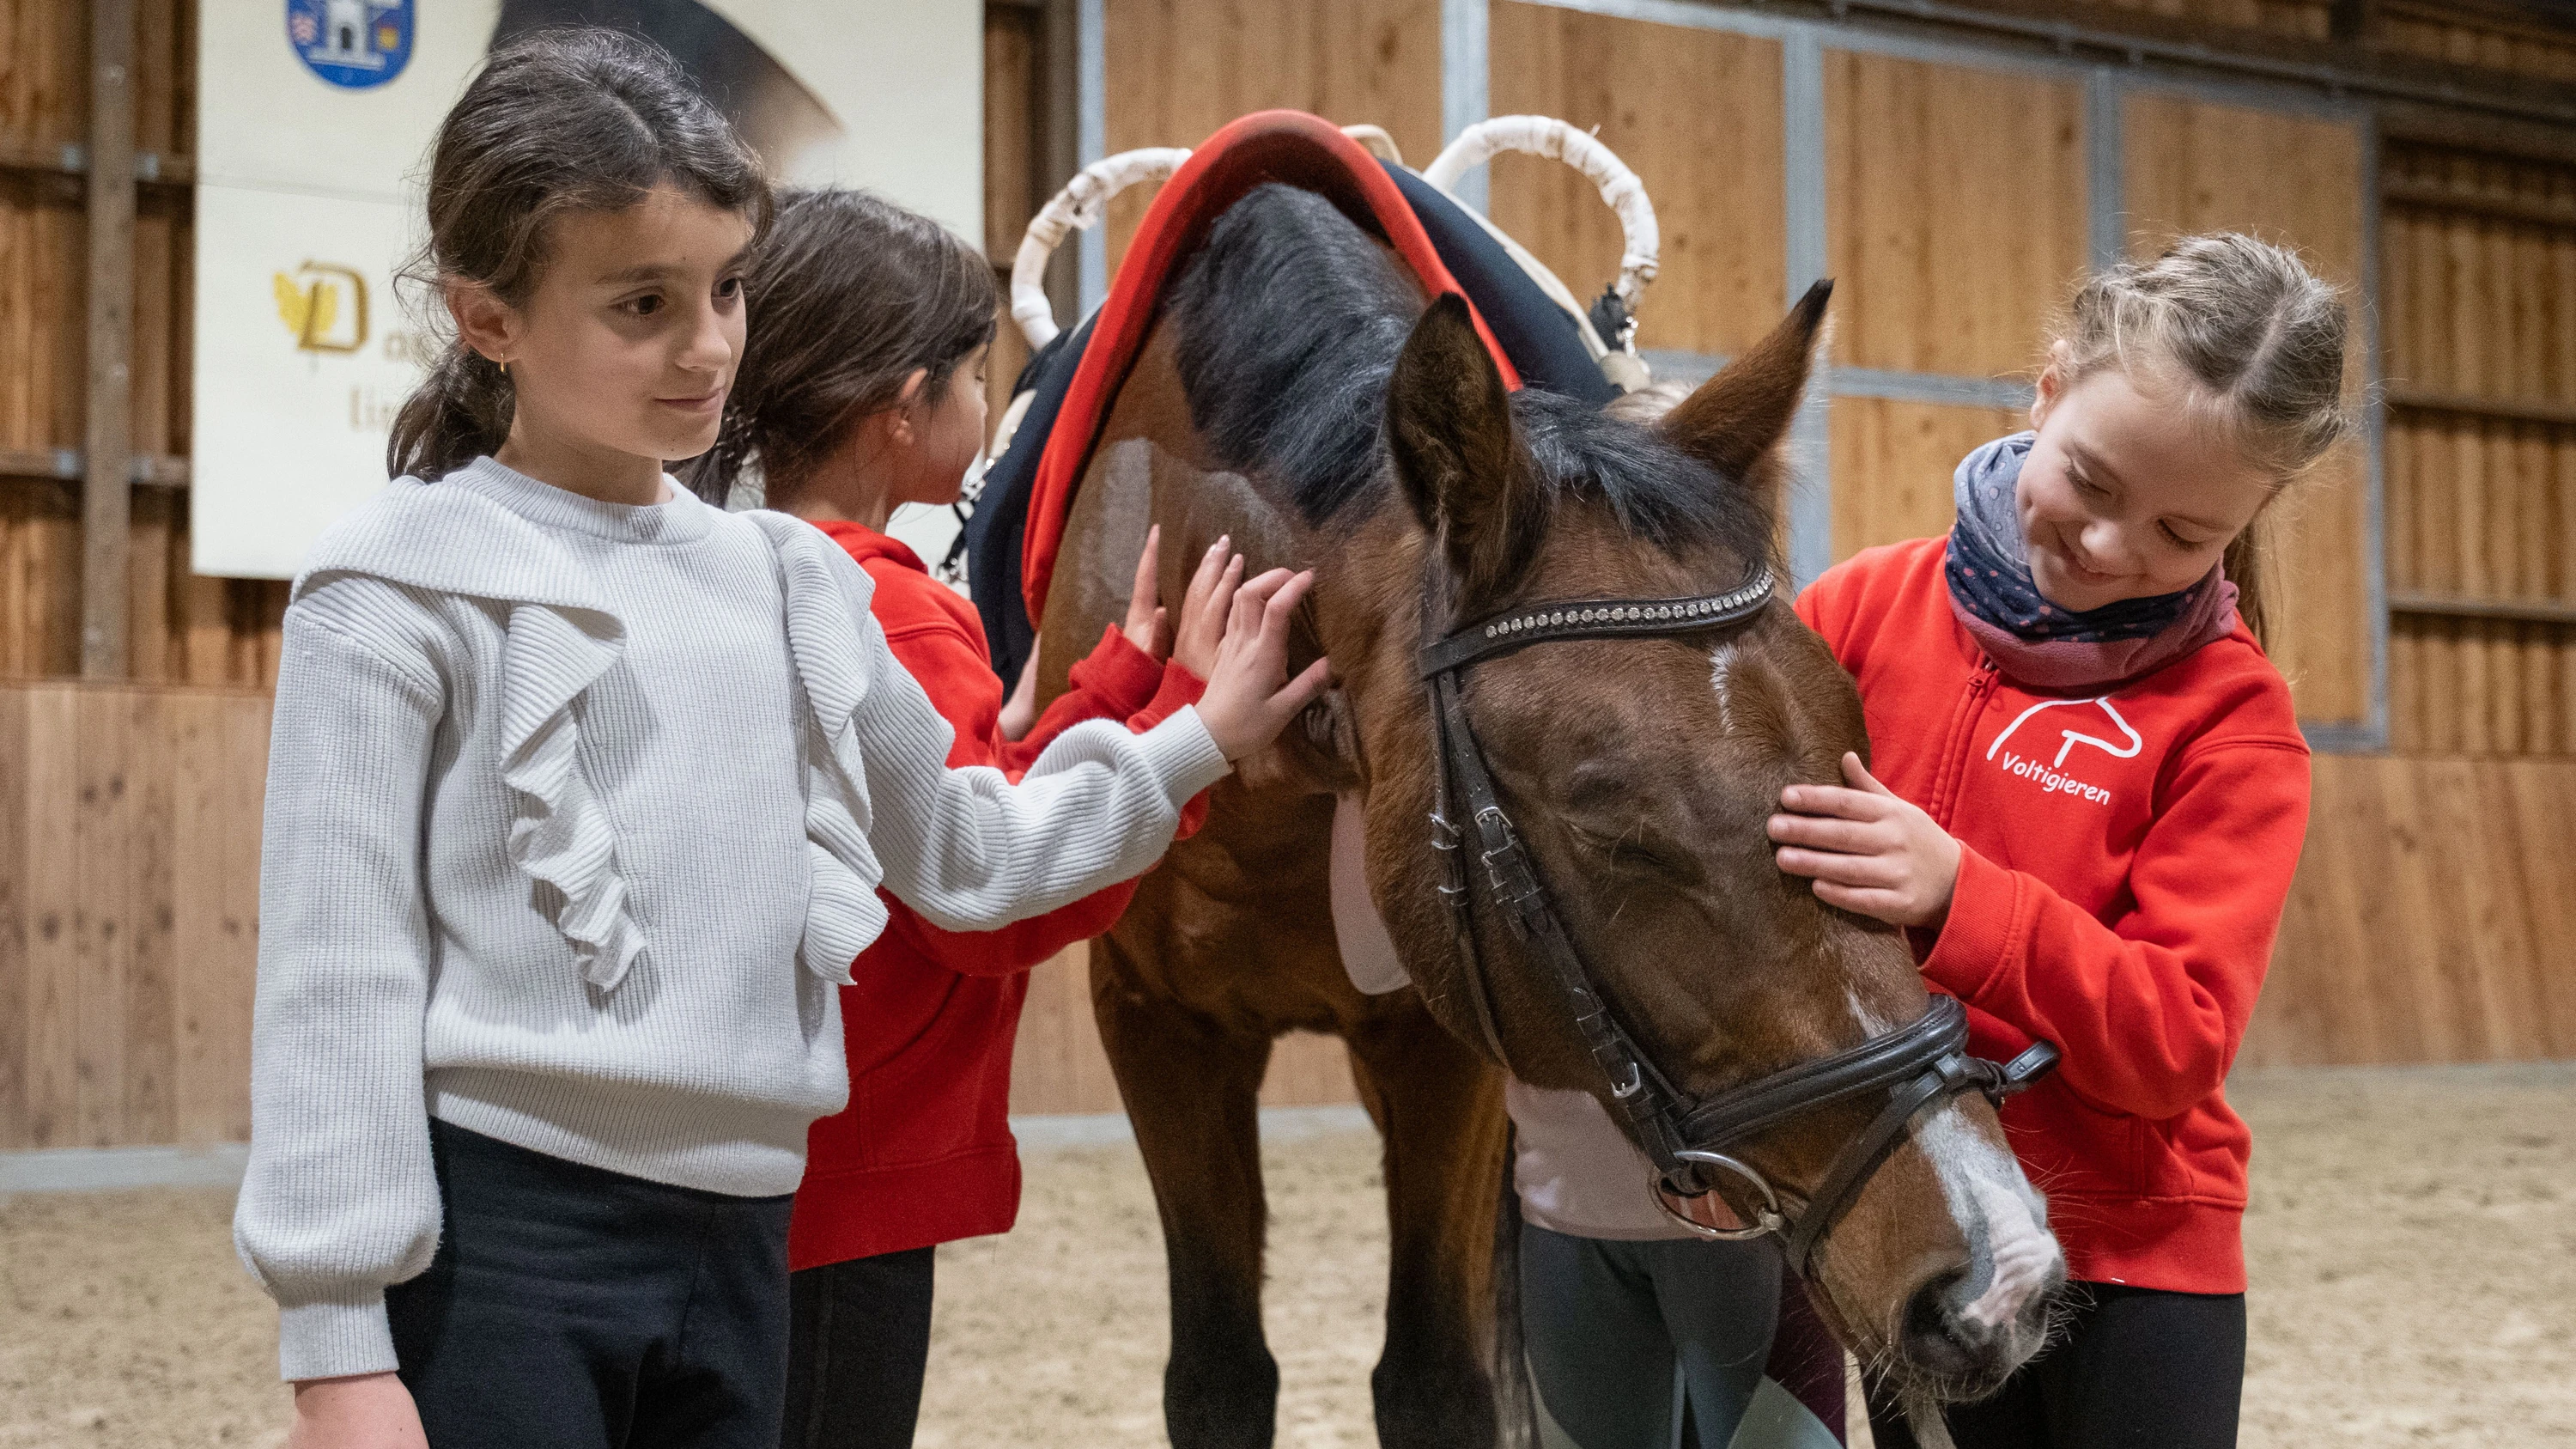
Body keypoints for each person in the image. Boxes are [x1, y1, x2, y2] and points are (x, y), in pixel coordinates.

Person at [232, 32, 1327, 1449]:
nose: (706, 347)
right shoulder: (392, 583)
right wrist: (336, 1347)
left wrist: (1192, 742)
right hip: (500, 1251)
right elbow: (339, 975)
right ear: (486, 318)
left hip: (749, 1245)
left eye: (729, 289)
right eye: (642, 303)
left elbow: (971, 856)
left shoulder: (795, 581)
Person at [1769, 234, 2345, 1449]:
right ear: (2046, 388)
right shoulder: (1858, 613)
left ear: (2251, 517)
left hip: (2133, 1262)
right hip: (1918, 1225)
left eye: (2185, 534)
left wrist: (1960, 899)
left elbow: (2176, 1036)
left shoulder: (2235, 722)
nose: (2112, 545)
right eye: (2090, 480)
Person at [683, 188, 1236, 1449]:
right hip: (855, 1178)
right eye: (977, 373)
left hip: (748, 1169)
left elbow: (957, 796)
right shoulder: (898, 612)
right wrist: (1205, 719)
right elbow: (991, 891)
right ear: (903, 406)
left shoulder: (731, 566)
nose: (989, 406)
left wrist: (1117, 689)